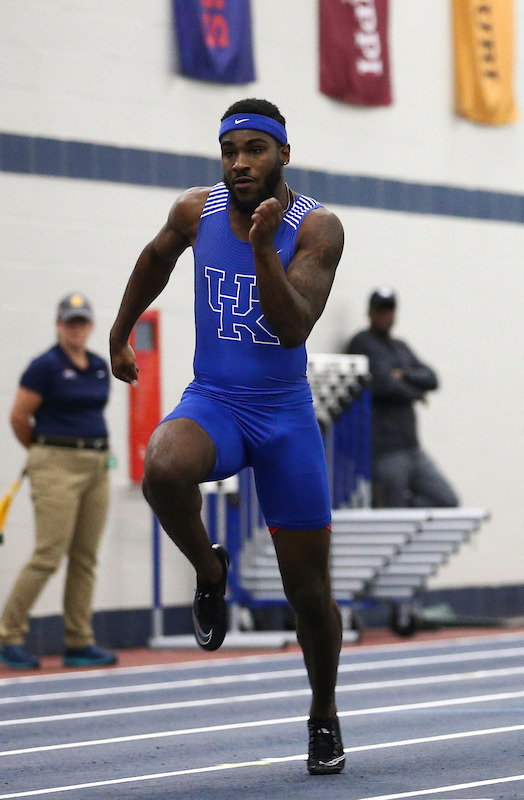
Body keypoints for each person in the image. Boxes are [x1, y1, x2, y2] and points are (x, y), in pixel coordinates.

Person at [107, 99, 349, 775]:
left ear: (283, 155)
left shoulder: (317, 227)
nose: (240, 163)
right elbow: (155, 258)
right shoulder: (197, 210)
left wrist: (264, 248)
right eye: (229, 151)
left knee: (309, 592)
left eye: (254, 150)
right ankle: (211, 571)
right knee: (163, 466)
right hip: (215, 400)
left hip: (283, 417)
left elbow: (292, 326)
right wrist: (120, 331)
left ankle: (323, 711)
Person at [1, 294, 119, 670]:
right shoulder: (45, 366)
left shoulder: (98, 366)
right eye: (70, 322)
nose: (76, 329)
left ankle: (78, 642)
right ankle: (7, 634)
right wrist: (43, 454)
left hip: (97, 464)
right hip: (56, 463)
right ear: (58, 325)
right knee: (48, 554)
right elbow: (19, 417)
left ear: (91, 326)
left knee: (85, 558)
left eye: (82, 322)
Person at [346, 288, 459, 508]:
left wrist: (404, 374)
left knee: (446, 500)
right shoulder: (362, 342)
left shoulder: (400, 347)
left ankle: (408, 510)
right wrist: (417, 393)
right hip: (385, 451)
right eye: (380, 311)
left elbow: (432, 378)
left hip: (412, 447)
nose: (385, 316)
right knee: (393, 514)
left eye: (389, 311)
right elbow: (385, 385)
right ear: (370, 313)